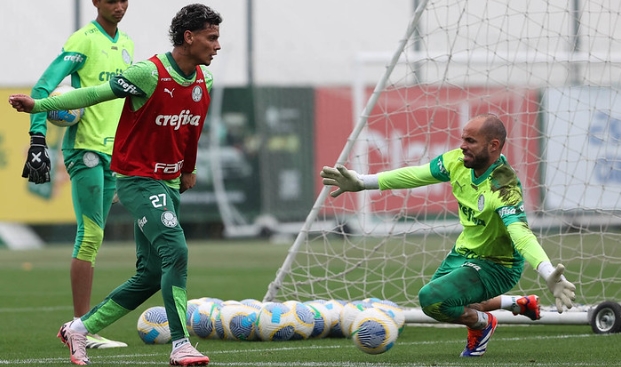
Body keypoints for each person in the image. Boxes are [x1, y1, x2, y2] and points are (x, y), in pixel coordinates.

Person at [9, 3, 222, 366]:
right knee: (177, 251)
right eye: (211, 37)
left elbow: (192, 129)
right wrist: (39, 106)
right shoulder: (148, 72)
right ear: (189, 37)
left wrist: (188, 168)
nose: (217, 46)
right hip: (138, 179)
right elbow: (93, 94)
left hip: (169, 181)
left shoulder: (204, 80)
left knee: (152, 273)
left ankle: (79, 328)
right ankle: (181, 343)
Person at [320, 113, 576, 357]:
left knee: (432, 300)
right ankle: (517, 303)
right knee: (451, 303)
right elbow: (415, 175)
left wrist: (546, 270)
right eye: (463, 139)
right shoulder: (457, 161)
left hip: (497, 265)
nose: (462, 146)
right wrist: (362, 182)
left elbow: (521, 233)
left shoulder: (504, 186)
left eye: (470, 141)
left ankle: (482, 325)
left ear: (494, 145)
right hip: (464, 253)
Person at [24, 0, 134, 349]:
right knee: (89, 235)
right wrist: (38, 137)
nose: (119, 5)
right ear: (95, 2)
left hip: (113, 153)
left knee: (96, 237)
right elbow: (43, 88)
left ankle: (83, 327)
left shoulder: (129, 45)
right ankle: (80, 329)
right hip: (84, 149)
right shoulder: (83, 40)